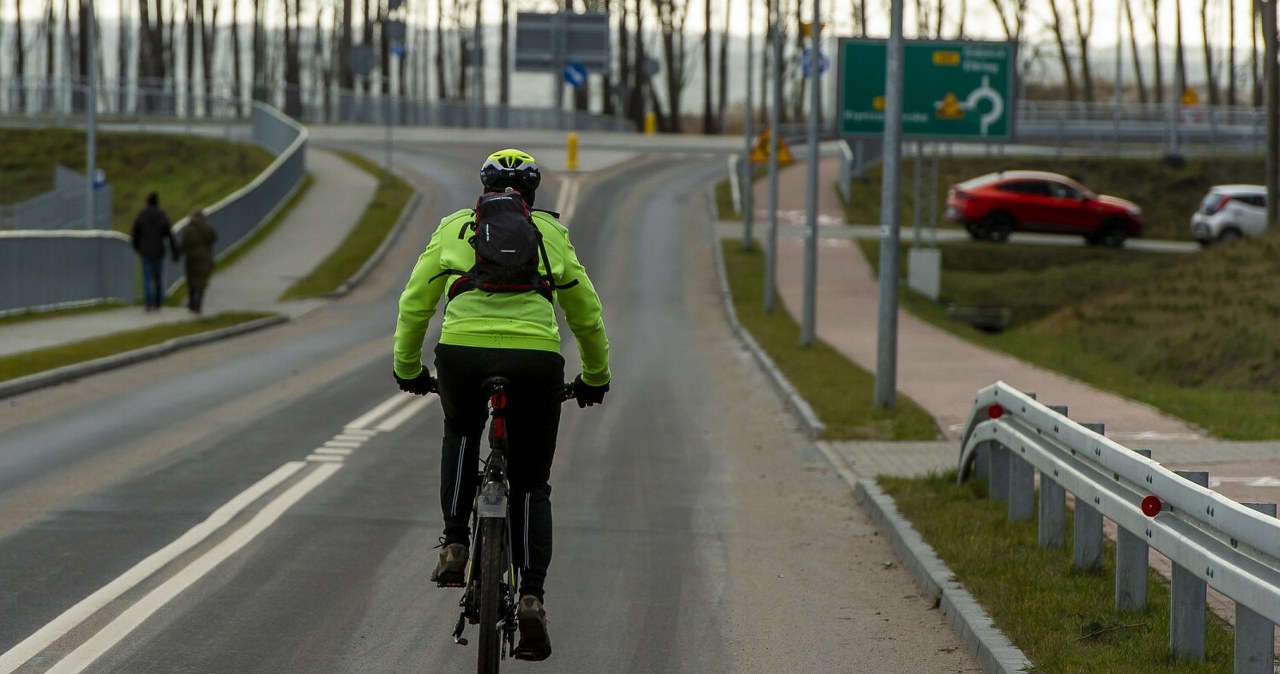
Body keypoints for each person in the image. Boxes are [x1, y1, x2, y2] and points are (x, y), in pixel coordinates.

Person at [392, 148, 610, 662]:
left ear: (483, 189)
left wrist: (408, 368)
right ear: (531, 193)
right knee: (532, 481)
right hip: (535, 361)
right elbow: (586, 312)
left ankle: (455, 542)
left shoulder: (455, 227)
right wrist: (595, 377)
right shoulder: (549, 233)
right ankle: (531, 595)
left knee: (462, 430)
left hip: (462, 355)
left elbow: (415, 302)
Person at [131, 192, 178, 311]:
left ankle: (149, 302)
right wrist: (175, 251)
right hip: (159, 251)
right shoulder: (162, 216)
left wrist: (138, 247)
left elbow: (135, 234)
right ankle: (158, 302)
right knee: (158, 278)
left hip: (145, 251)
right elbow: (169, 235)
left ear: (147, 202)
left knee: (147, 278)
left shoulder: (142, 215)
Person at [179, 207, 218, 314]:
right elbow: (214, 238)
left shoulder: (188, 229)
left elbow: (184, 244)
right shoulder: (208, 228)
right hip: (205, 258)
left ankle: (192, 302)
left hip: (191, 259)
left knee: (192, 281)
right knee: (201, 282)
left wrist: (178, 254)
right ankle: (198, 304)